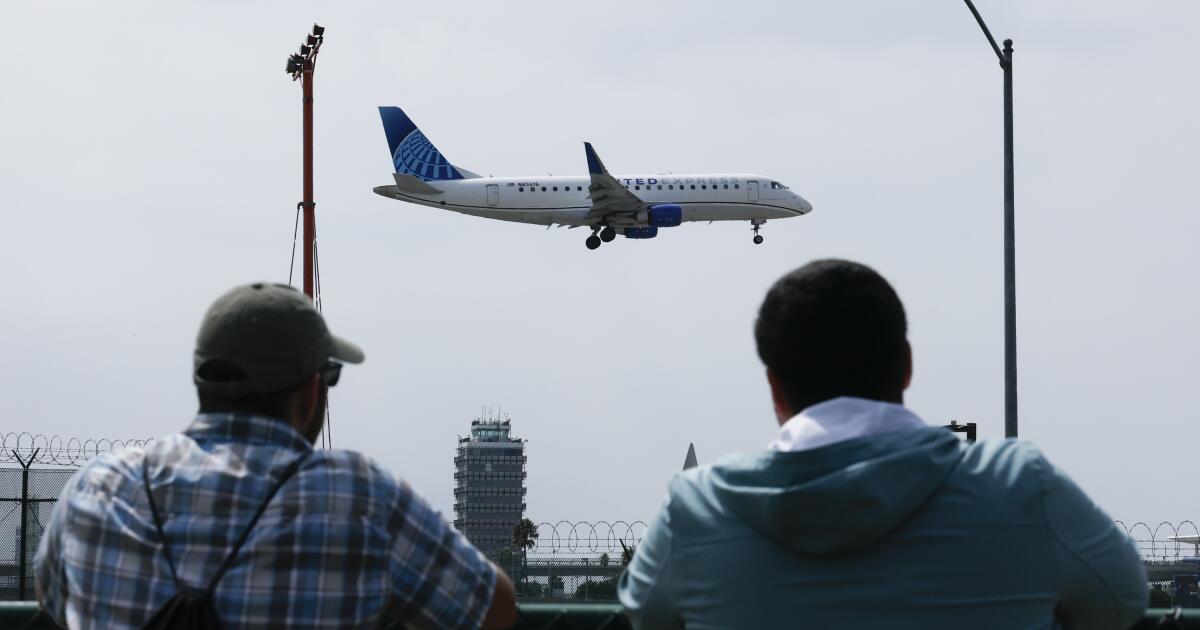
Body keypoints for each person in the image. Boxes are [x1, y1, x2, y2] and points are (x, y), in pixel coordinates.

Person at [618, 259, 1147, 628]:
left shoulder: (695, 509)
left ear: (773, 384)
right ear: (908, 364)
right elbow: (1122, 602)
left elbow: (646, 615)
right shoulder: (1021, 484)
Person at [35, 282, 516, 629]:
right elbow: (491, 608)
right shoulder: (357, 495)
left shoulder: (97, 487)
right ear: (309, 393)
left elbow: (54, 599)